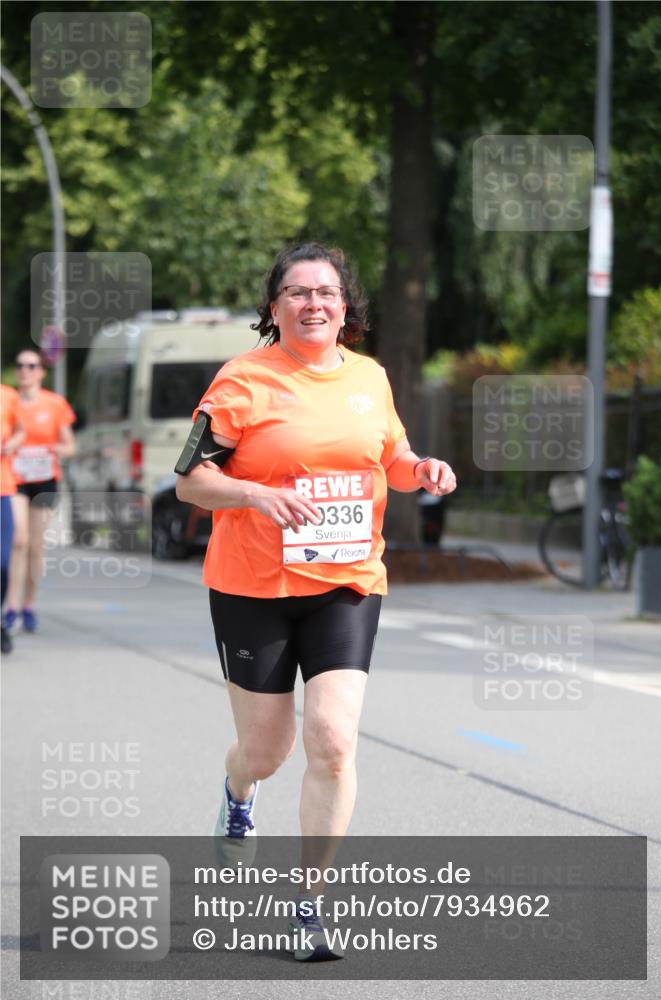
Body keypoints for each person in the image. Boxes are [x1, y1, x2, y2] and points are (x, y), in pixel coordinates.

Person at [175, 242, 456, 960]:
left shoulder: (368, 378)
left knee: (332, 740)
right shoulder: (242, 381)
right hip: (252, 586)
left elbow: (387, 456)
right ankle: (238, 791)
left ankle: (309, 906)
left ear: (344, 308)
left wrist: (419, 468)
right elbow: (190, 483)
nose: (312, 304)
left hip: (345, 581)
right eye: (296, 293)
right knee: (267, 750)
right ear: (273, 309)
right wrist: (254, 493)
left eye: (325, 293)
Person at [4, 350, 75, 634]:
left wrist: (56, 449)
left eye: (32, 365)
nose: (25, 370)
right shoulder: (8, 400)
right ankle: (10, 607)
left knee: (35, 545)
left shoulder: (54, 404)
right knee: (17, 541)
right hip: (14, 477)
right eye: (20, 365)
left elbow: (70, 445)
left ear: (41, 371)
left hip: (44, 478)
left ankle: (28, 605)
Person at [1, 384, 24, 653]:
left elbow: (21, 432)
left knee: (3, 562)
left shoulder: (8, 395)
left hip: (2, 489)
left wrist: (10, 445)